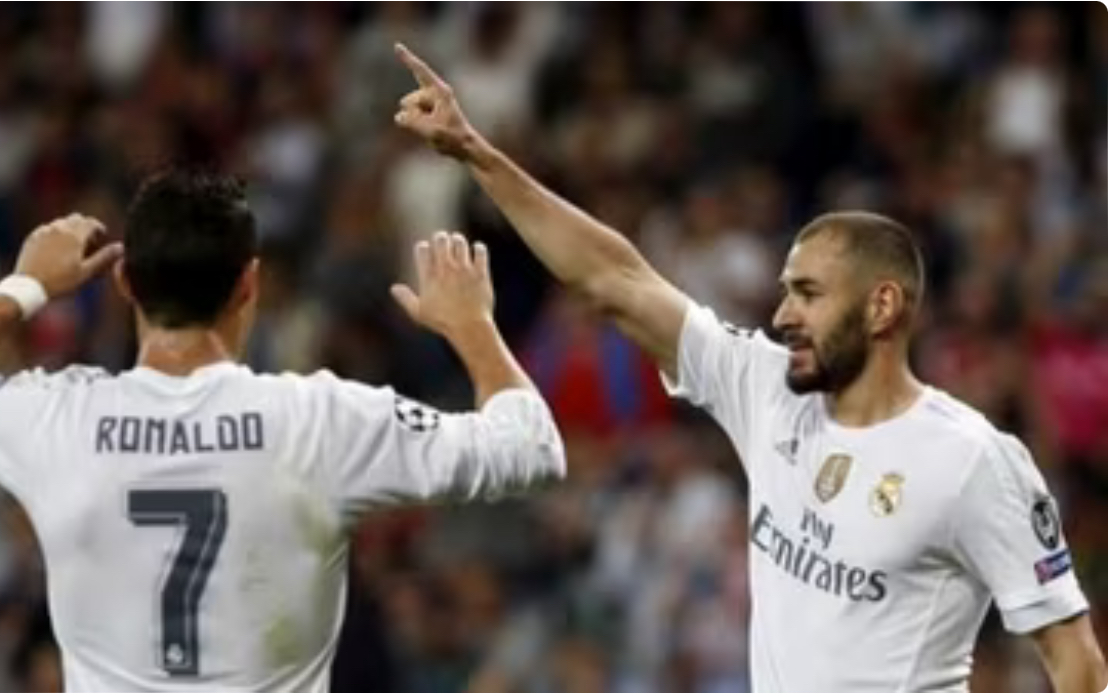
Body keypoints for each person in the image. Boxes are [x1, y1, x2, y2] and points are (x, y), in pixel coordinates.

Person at [391, 44, 1107, 692]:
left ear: (883, 306)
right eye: (786, 290)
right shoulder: (765, 387)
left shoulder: (973, 459)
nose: (784, 313)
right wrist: (476, 153)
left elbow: (1075, 662)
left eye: (809, 294)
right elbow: (617, 281)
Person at [0, 170, 565, 692]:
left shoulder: (57, 418)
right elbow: (531, 446)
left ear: (124, 281)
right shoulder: (320, 421)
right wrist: (473, 326)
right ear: (249, 285)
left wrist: (26, 285)